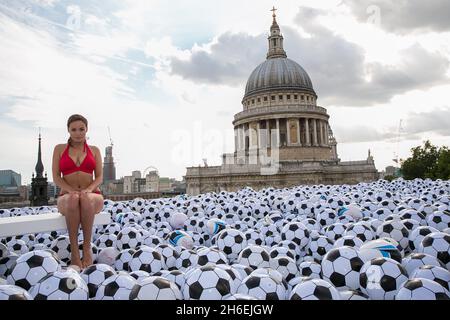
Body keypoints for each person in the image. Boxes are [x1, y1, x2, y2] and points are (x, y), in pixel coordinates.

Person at [52, 114, 104, 270]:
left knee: (85, 199)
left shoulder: (94, 150)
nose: (78, 133)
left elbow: (100, 176)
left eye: (81, 129)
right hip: (66, 196)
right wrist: (71, 190)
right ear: (68, 130)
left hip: (92, 195)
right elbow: (56, 176)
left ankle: (86, 248)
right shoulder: (59, 149)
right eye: (73, 129)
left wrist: (88, 190)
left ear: (86, 129)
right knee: (74, 199)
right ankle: (75, 252)